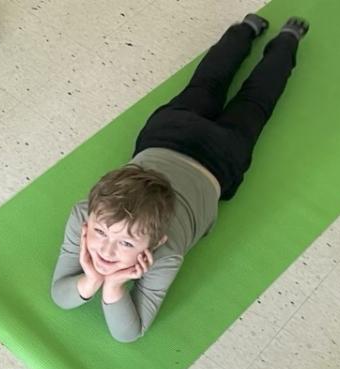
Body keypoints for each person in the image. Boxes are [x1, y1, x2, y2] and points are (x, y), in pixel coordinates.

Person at [51, 14, 308, 342]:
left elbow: (130, 332)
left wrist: (108, 285)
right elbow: (66, 298)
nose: (106, 250)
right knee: (213, 86)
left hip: (219, 156)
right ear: (92, 216)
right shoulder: (82, 217)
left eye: (127, 242)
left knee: (245, 98)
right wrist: (100, 283)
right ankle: (251, 32)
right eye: (101, 231)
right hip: (170, 133)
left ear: (155, 241)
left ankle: (277, 39)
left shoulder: (166, 251)